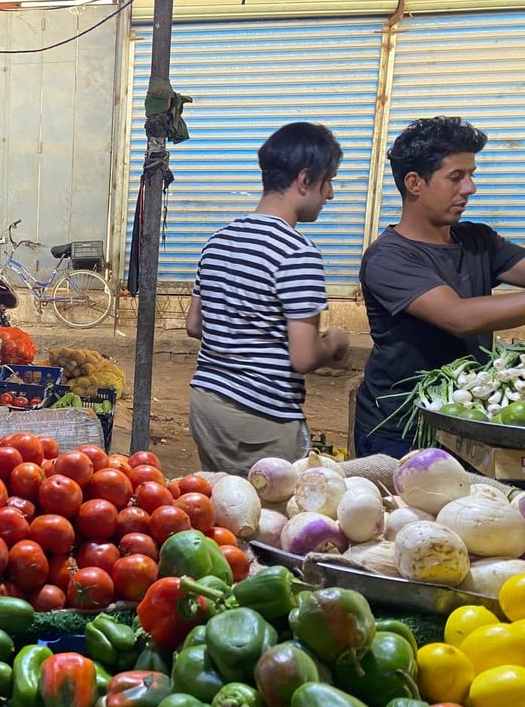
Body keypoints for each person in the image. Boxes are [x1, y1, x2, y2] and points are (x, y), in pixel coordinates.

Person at [186, 122, 350, 475]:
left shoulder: (218, 240)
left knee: (223, 507)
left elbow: (195, 324)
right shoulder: (298, 253)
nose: (331, 194)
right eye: (329, 181)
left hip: (207, 406)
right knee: (269, 521)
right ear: (305, 180)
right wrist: (335, 342)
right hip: (262, 417)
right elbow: (304, 356)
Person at [355, 117, 525, 457]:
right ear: (415, 183)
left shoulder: (477, 240)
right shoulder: (387, 258)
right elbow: (458, 317)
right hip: (403, 431)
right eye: (456, 177)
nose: (470, 188)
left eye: (472, 174)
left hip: (466, 418)